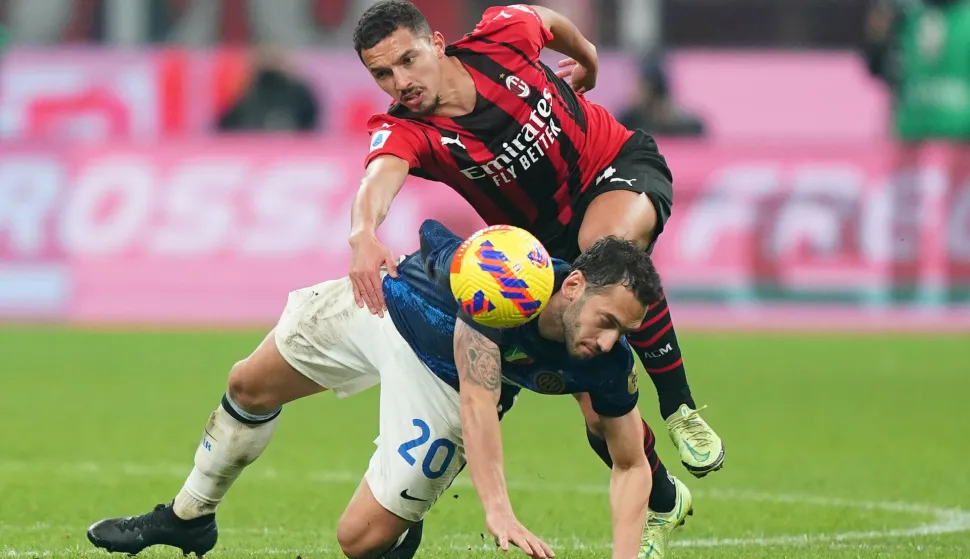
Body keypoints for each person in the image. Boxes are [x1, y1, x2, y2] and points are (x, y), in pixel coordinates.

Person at [84, 219, 693, 559]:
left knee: (358, 542)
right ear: (573, 284)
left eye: (625, 331)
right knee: (247, 383)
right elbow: (483, 404)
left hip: (441, 383)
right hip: (386, 305)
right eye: (607, 321)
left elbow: (629, 462)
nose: (611, 341)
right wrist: (498, 509)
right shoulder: (510, 284)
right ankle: (189, 518)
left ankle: (401, 525)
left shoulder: (605, 365)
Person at [348, 0, 723, 505]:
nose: (400, 81)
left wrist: (587, 57)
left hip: (613, 166)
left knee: (604, 250)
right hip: (544, 251)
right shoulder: (411, 129)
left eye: (408, 60)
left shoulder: (501, 38)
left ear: (436, 43)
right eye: (383, 73)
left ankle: (679, 406)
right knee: (598, 415)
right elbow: (379, 177)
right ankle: (662, 499)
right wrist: (363, 232)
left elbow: (548, 21)